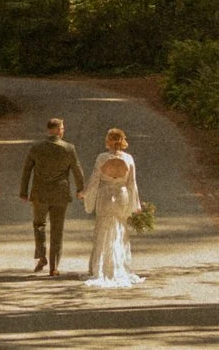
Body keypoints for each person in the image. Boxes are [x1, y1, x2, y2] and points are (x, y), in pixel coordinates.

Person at [19, 116, 84, 276]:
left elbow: (26, 170)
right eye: (62, 128)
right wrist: (80, 189)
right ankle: (54, 266)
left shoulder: (36, 148)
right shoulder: (69, 148)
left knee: (39, 224)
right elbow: (77, 170)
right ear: (55, 130)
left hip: (39, 194)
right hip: (60, 194)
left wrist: (23, 192)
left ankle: (42, 256)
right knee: (57, 229)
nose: (63, 131)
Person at [81, 126, 144, 288]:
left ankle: (101, 267)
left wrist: (86, 194)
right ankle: (119, 266)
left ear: (108, 141)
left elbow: (95, 180)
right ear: (123, 142)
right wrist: (135, 204)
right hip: (122, 194)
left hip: (105, 195)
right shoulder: (129, 159)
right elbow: (132, 183)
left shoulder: (102, 158)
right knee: (120, 230)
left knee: (103, 229)